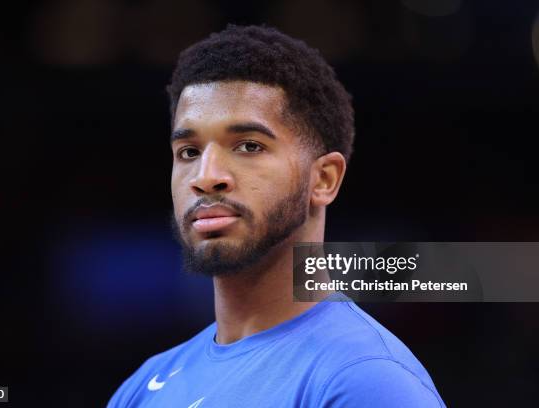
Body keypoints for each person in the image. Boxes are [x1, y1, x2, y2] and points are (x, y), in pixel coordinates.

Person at [108, 24, 445, 407]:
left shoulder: (366, 381)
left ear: (324, 179)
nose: (206, 177)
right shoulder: (144, 386)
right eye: (189, 151)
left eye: (248, 146)